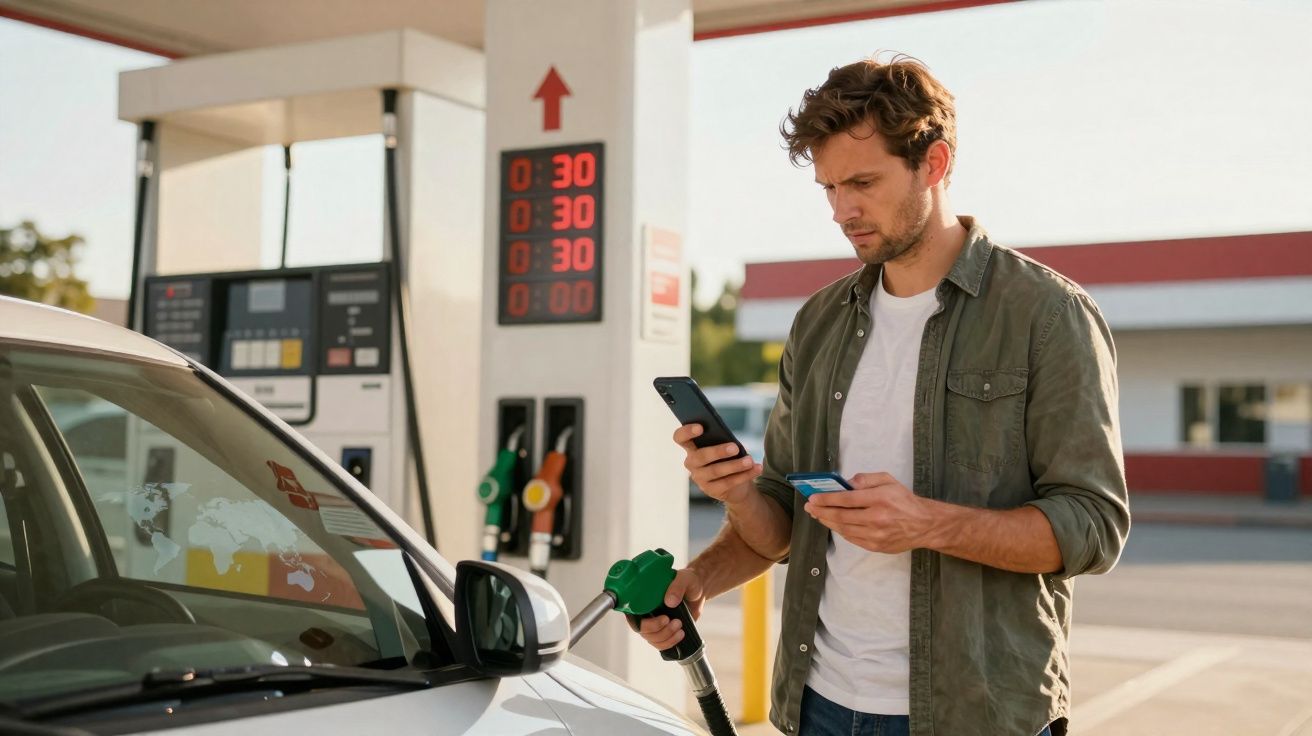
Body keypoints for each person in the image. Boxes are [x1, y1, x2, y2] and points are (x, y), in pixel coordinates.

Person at [636, 56, 1130, 736]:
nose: (843, 210)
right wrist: (716, 545)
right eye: (830, 187)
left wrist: (927, 523)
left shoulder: (1046, 316)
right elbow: (782, 526)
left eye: (863, 183)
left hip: (976, 715)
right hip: (819, 706)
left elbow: (1093, 526)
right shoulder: (819, 323)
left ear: (934, 163)